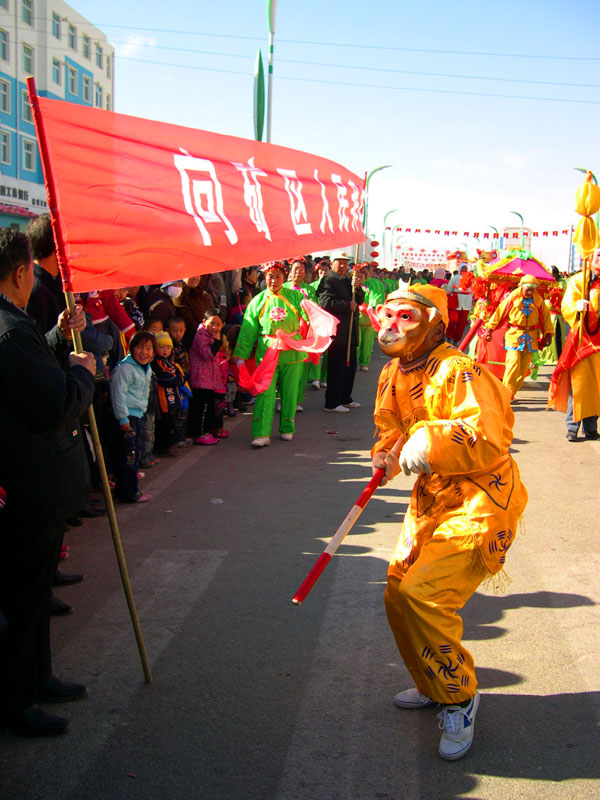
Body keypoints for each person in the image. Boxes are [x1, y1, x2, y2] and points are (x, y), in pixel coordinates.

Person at [370, 283, 527, 760]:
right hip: (431, 498)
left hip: (480, 500)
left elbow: (490, 435)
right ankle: (433, 683)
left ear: (434, 323)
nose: (392, 325)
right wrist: (387, 454)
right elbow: (391, 426)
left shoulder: (461, 371)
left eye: (406, 317)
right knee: (397, 591)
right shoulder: (394, 371)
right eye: (388, 315)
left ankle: (459, 697)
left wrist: (433, 442)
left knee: (425, 594)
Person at [0, 227, 96, 736]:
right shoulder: (9, 330)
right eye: (29, 275)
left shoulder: (16, 326)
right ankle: (16, 701)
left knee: (34, 597)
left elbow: (32, 372)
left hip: (33, 481)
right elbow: (53, 403)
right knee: (21, 600)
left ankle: (38, 678)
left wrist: (59, 336)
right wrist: (83, 373)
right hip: (26, 483)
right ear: (19, 273)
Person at [234, 262, 308, 447]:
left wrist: (321, 329)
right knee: (264, 392)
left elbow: (311, 316)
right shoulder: (257, 301)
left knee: (290, 392)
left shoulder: (295, 296)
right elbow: (248, 330)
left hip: (291, 351)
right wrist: (241, 355)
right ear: (264, 277)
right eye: (269, 276)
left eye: (277, 276)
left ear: (284, 277)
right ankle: (261, 433)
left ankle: (287, 427)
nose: (273, 280)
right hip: (267, 352)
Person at [548, 248, 600, 441]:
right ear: (590, 257)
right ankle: (572, 426)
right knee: (579, 385)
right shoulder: (579, 280)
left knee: (597, 387)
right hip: (583, 341)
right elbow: (566, 305)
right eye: (599, 254)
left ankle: (591, 427)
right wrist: (576, 308)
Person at [484, 276, 553, 401]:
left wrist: (548, 334)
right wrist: (490, 329)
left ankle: (510, 393)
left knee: (522, 370)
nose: (530, 292)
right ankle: (505, 393)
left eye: (533, 289)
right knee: (513, 364)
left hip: (531, 338)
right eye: (528, 288)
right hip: (514, 336)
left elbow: (546, 319)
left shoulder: (538, 302)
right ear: (521, 286)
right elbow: (499, 313)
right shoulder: (512, 298)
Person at [109, 330, 154, 503]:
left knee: (132, 454)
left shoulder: (146, 367)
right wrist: (123, 419)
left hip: (136, 416)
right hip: (126, 418)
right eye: (140, 347)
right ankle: (129, 493)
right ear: (131, 348)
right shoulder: (125, 368)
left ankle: (126, 488)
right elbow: (118, 395)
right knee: (128, 456)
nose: (144, 352)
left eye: (148, 348)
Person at [317, 252, 364, 413]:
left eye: (345, 262)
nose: (343, 265)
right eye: (340, 262)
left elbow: (359, 300)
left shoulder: (347, 280)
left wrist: (357, 287)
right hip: (338, 331)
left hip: (351, 330)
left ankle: (345, 397)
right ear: (332, 263)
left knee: (350, 367)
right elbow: (325, 302)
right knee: (336, 367)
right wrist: (346, 305)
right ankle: (332, 402)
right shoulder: (328, 280)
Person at [189, 309, 227, 445]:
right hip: (200, 379)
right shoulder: (201, 336)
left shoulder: (213, 335)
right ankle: (198, 433)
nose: (215, 327)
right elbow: (207, 354)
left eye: (218, 324)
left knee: (210, 405)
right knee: (200, 407)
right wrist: (217, 342)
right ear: (204, 322)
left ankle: (209, 430)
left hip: (210, 379)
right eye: (212, 323)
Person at [151, 331, 188, 457]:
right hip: (162, 399)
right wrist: (177, 380)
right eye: (161, 347)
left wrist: (180, 378)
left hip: (172, 398)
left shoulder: (170, 361)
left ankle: (169, 444)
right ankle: (163, 447)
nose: (165, 350)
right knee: (163, 424)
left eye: (168, 347)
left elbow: (180, 374)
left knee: (172, 422)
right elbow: (164, 377)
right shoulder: (156, 361)